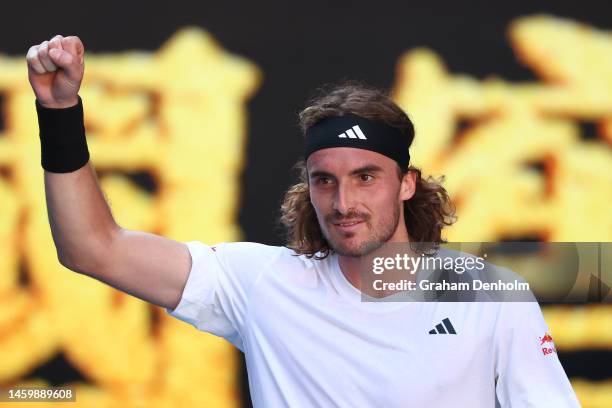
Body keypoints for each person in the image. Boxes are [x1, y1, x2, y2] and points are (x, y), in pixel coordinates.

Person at [27, 35, 581, 407]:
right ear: (307, 188)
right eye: (325, 180)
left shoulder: (488, 295)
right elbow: (92, 248)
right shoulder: (263, 283)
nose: (343, 202)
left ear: (407, 185)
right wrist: (58, 115)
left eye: (366, 177)